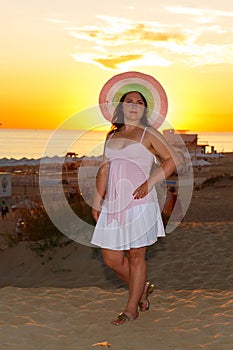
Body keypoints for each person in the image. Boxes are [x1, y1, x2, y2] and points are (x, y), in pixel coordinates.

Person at [91, 72, 177, 325]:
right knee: (112, 258)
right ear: (121, 107)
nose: (134, 105)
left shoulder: (149, 134)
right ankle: (141, 289)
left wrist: (150, 183)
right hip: (113, 203)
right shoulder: (112, 136)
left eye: (140, 103)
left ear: (144, 109)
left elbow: (171, 161)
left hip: (140, 203)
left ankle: (132, 308)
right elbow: (104, 168)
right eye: (130, 101)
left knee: (136, 255)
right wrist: (98, 199)